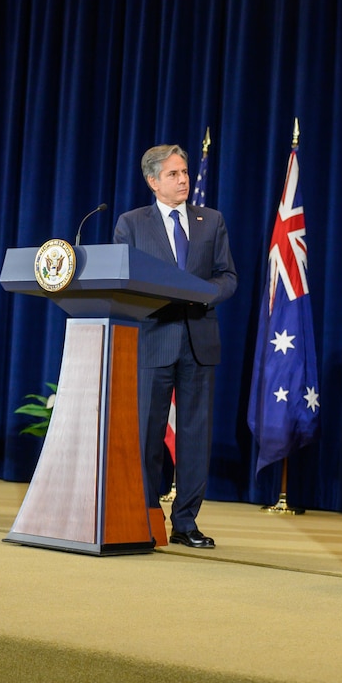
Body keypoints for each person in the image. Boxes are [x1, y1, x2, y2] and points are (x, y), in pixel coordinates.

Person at [113, 144, 238, 548]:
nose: (183, 180)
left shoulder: (211, 220)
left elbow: (227, 276)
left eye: (184, 172)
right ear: (153, 181)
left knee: (195, 436)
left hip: (199, 338)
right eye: (173, 174)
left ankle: (185, 523)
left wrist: (202, 294)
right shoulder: (131, 223)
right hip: (152, 339)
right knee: (147, 435)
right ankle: (148, 517)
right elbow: (121, 277)